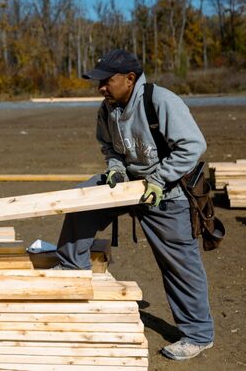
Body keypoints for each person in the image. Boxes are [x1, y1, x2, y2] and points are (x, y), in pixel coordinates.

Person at [55, 49, 214, 361]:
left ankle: (198, 334)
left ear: (130, 79)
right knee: (82, 198)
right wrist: (115, 167)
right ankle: (72, 268)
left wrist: (159, 179)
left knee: (180, 264)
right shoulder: (108, 108)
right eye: (98, 82)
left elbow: (193, 146)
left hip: (166, 192)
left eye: (106, 81)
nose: (101, 87)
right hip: (128, 182)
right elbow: (108, 146)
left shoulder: (160, 101)